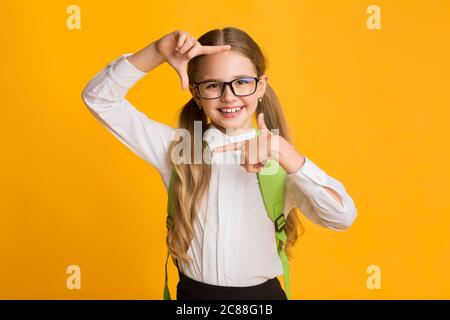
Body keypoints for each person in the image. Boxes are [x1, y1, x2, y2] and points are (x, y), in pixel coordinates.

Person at [81, 28, 357, 300]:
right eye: (213, 84)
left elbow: (342, 216)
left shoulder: (282, 162)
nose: (229, 96)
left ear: (261, 85)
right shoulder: (176, 150)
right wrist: (156, 52)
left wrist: (284, 153)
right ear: (196, 94)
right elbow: (99, 99)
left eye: (242, 82)